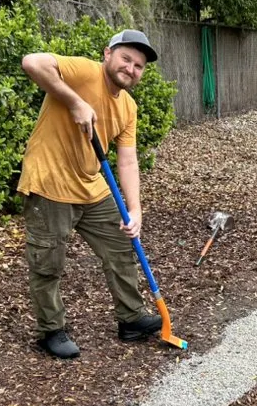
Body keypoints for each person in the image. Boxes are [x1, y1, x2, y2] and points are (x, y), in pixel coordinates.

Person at [17, 30, 163, 359]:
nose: (131, 68)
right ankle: (51, 330)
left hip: (92, 185)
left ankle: (131, 319)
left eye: (138, 66)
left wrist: (135, 210)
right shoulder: (84, 71)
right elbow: (32, 62)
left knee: (122, 246)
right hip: (50, 182)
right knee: (48, 262)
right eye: (126, 59)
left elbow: (127, 160)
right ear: (107, 54)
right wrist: (75, 102)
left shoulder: (127, 106)